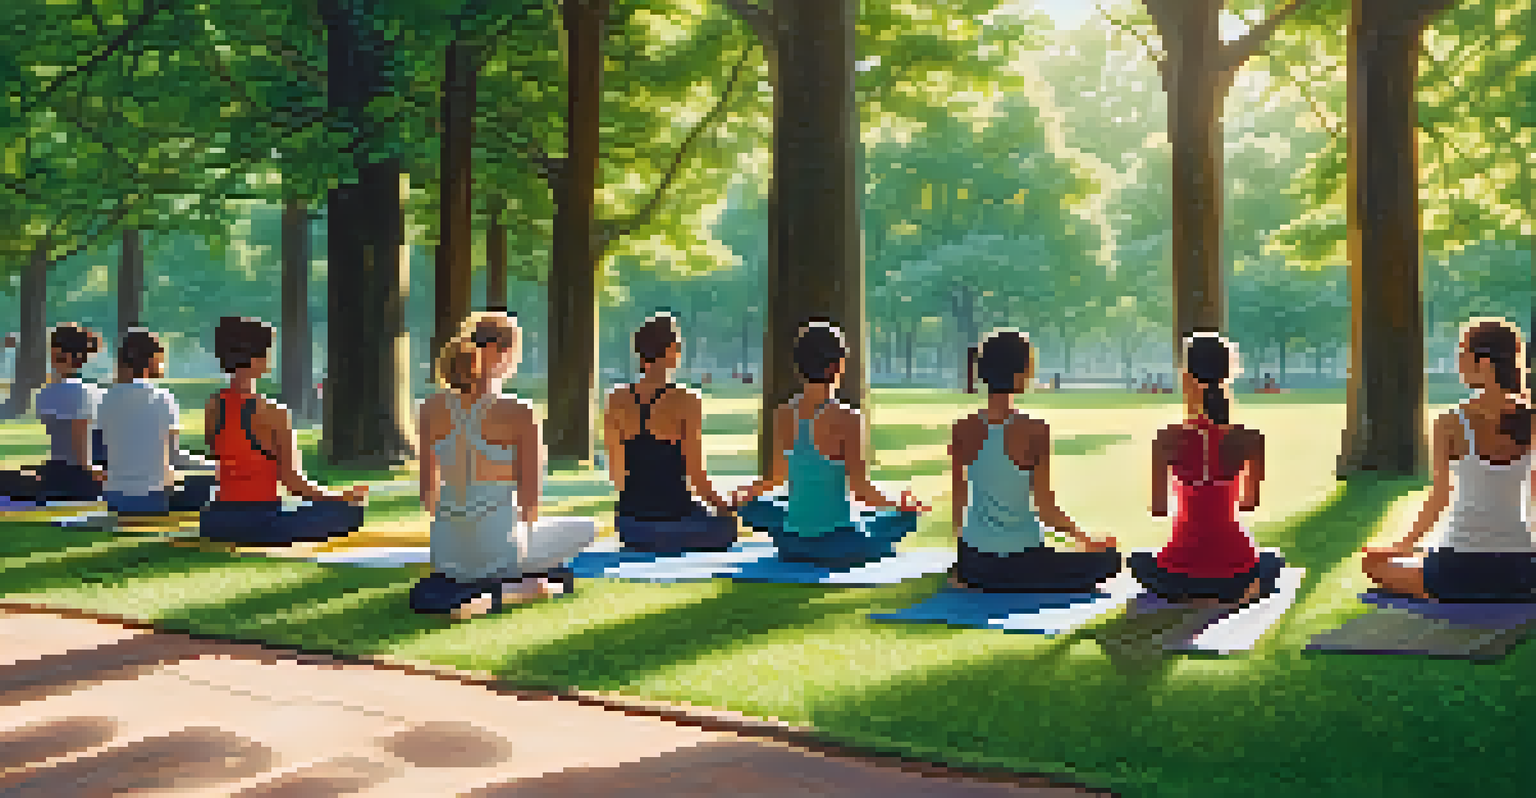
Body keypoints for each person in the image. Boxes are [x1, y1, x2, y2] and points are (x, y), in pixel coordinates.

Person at [411, 311, 597, 620]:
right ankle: (521, 589)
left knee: (501, 548)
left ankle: (492, 585)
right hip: (500, 550)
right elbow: (530, 506)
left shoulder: (429, 408)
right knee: (586, 529)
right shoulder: (520, 412)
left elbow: (428, 496)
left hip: (445, 555)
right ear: (503, 352)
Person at [1362, 318, 1535, 601]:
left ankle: (1450, 591)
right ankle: (1493, 591)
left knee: (1371, 563)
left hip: (1456, 567)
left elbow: (1440, 497)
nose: (1458, 363)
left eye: (1462, 354)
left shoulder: (1450, 422)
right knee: (1437, 555)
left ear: (1484, 364)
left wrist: (1403, 546)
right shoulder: (1532, 420)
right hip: (1520, 570)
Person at [732, 320, 929, 568]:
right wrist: (900, 504)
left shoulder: (783, 413)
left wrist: (748, 493)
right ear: (837, 365)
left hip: (791, 542)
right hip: (837, 543)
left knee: (757, 508)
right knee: (903, 519)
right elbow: (861, 490)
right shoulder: (848, 418)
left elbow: (775, 479)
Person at [949, 330, 1120, 592]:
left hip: (976, 564)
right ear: (1019, 374)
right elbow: (1046, 509)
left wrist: (963, 559)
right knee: (1110, 559)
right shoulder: (1035, 429)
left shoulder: (961, 428)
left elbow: (959, 501)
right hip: (1024, 560)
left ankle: (982, 577)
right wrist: (1086, 538)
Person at [1132, 332, 1282, 607]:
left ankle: (1191, 592)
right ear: (1229, 374)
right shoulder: (1250, 438)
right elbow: (1249, 504)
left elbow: (1159, 508)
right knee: (1273, 559)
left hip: (1176, 573)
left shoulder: (1167, 438)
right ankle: (1241, 591)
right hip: (1237, 574)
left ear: (1186, 375)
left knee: (1138, 558)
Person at [196, 317, 367, 544]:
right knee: (350, 512)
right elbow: (293, 483)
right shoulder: (273, 412)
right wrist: (340, 497)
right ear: (255, 358)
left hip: (216, 520)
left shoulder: (213, 405)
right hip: (260, 521)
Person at [603, 313, 738, 554]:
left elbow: (617, 476)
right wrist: (726, 508)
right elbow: (696, 478)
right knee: (726, 528)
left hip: (630, 526)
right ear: (671, 350)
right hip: (676, 520)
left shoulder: (615, 399)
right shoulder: (687, 400)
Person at [97, 329, 218, 518]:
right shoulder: (163, 398)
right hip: (153, 498)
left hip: (114, 498)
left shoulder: (105, 399)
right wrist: (217, 466)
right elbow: (175, 457)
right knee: (209, 484)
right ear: (152, 359)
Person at [0, 324, 108, 504]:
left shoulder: (44, 394)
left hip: (58, 471)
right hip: (80, 477)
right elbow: (83, 460)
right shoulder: (89, 393)